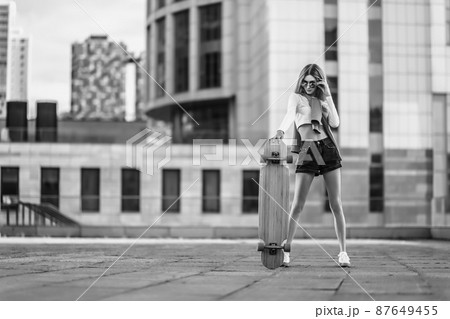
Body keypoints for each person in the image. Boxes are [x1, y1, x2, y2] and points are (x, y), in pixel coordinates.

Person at [274, 63, 350, 267]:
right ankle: (286, 249)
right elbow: (290, 114)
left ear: (319, 82)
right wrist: (281, 130)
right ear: (301, 82)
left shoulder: (322, 99)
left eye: (313, 82)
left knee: (336, 203)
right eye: (305, 82)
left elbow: (334, 123)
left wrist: (328, 95)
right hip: (308, 149)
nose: (308, 85)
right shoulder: (296, 98)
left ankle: (343, 252)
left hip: (327, 147)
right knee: (297, 204)